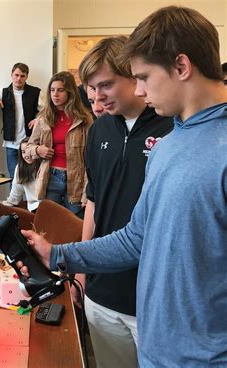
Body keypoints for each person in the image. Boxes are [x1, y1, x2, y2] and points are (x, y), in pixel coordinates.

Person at [16, 6, 226, 366]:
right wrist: (59, 255)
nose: (140, 89)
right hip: (157, 350)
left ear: (181, 67)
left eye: (143, 76)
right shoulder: (172, 144)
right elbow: (136, 238)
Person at [74, 36, 173, 368]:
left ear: (133, 74)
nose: (97, 97)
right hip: (102, 294)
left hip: (155, 300)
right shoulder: (99, 130)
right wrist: (82, 270)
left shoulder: (173, 126)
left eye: (106, 85)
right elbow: (93, 202)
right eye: (91, 88)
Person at [26, 71, 93, 216]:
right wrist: (38, 150)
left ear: (70, 92)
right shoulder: (44, 118)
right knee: (50, 226)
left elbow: (91, 159)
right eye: (52, 90)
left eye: (60, 90)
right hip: (51, 177)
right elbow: (28, 148)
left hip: (76, 180)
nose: (55, 94)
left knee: (74, 228)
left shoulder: (84, 120)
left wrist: (87, 192)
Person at [0, 62, 41, 179]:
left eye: (22, 76)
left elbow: (47, 111)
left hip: (30, 143)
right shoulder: (3, 92)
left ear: (27, 76)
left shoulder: (36, 92)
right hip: (11, 144)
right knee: (14, 178)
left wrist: (38, 119)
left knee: (32, 178)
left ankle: (28, 198)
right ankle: (14, 198)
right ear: (11, 75)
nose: (18, 79)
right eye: (16, 75)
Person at [0, 137, 41, 212]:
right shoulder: (20, 168)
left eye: (29, 151)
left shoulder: (44, 166)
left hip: (49, 206)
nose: (27, 155)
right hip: (34, 208)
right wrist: (7, 202)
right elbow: (16, 193)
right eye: (23, 152)